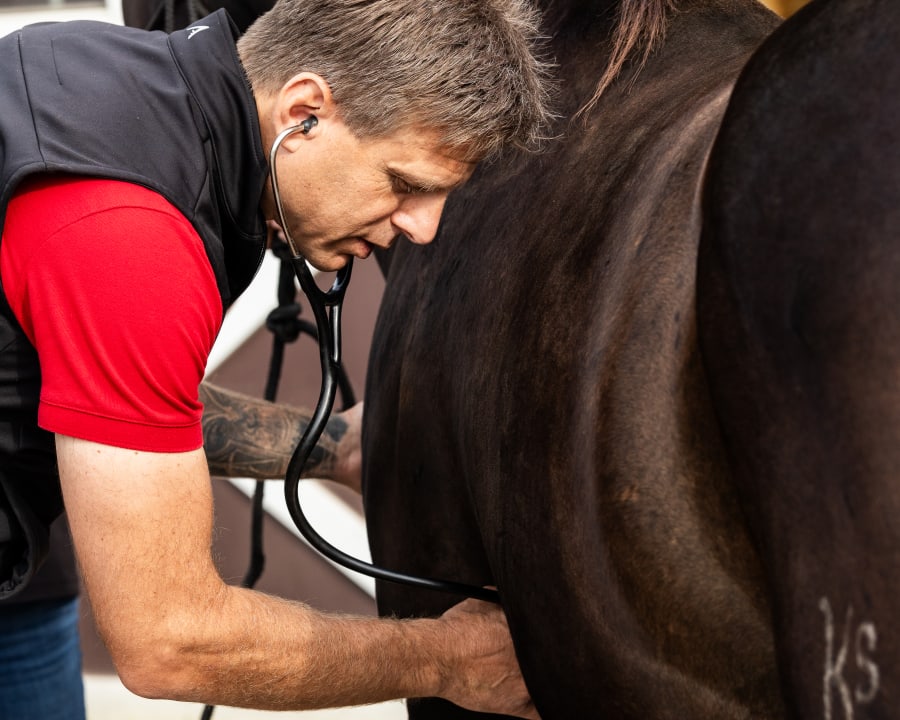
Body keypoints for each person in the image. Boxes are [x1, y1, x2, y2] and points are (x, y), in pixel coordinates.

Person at [0, 0, 551, 717]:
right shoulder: (131, 235)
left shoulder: (112, 82)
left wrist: (333, 448)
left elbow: (119, 397)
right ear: (304, 110)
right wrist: (448, 661)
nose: (423, 228)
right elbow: (172, 639)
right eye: (405, 185)